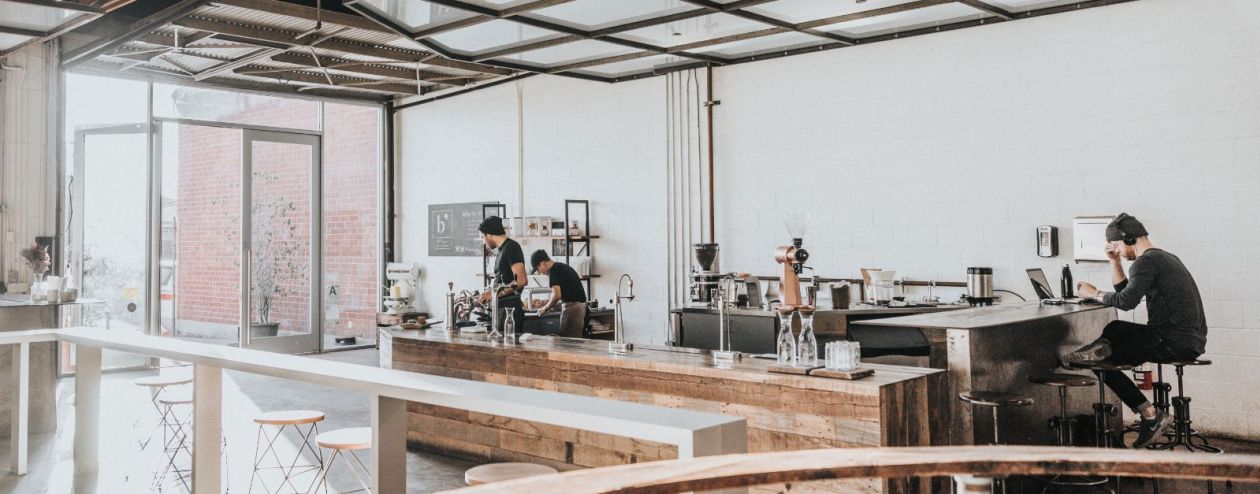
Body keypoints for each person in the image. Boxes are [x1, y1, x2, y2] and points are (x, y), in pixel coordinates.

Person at [1066, 213, 1207, 449]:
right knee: (1116, 327)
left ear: (1129, 239)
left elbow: (1126, 301)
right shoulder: (1164, 258)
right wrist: (1114, 262)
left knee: (1100, 365)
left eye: (1117, 245)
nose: (1118, 251)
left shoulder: (1146, 261)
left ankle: (1151, 415)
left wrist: (1094, 294)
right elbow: (1126, 291)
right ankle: (1096, 350)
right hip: (1185, 339)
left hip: (1172, 340)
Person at [478, 216, 527, 335]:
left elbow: (521, 280)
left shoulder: (511, 247)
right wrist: (490, 293)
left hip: (509, 311)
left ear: (489, 234)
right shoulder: (502, 249)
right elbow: (504, 280)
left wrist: (495, 293)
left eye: (483, 237)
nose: (484, 242)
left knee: (508, 345)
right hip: (502, 309)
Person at [530, 250, 588, 338]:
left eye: (538, 269)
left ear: (542, 263)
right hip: (580, 308)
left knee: (567, 342)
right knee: (575, 341)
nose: (539, 272)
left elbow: (556, 295)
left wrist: (545, 308)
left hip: (572, 309)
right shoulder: (561, 267)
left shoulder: (554, 271)